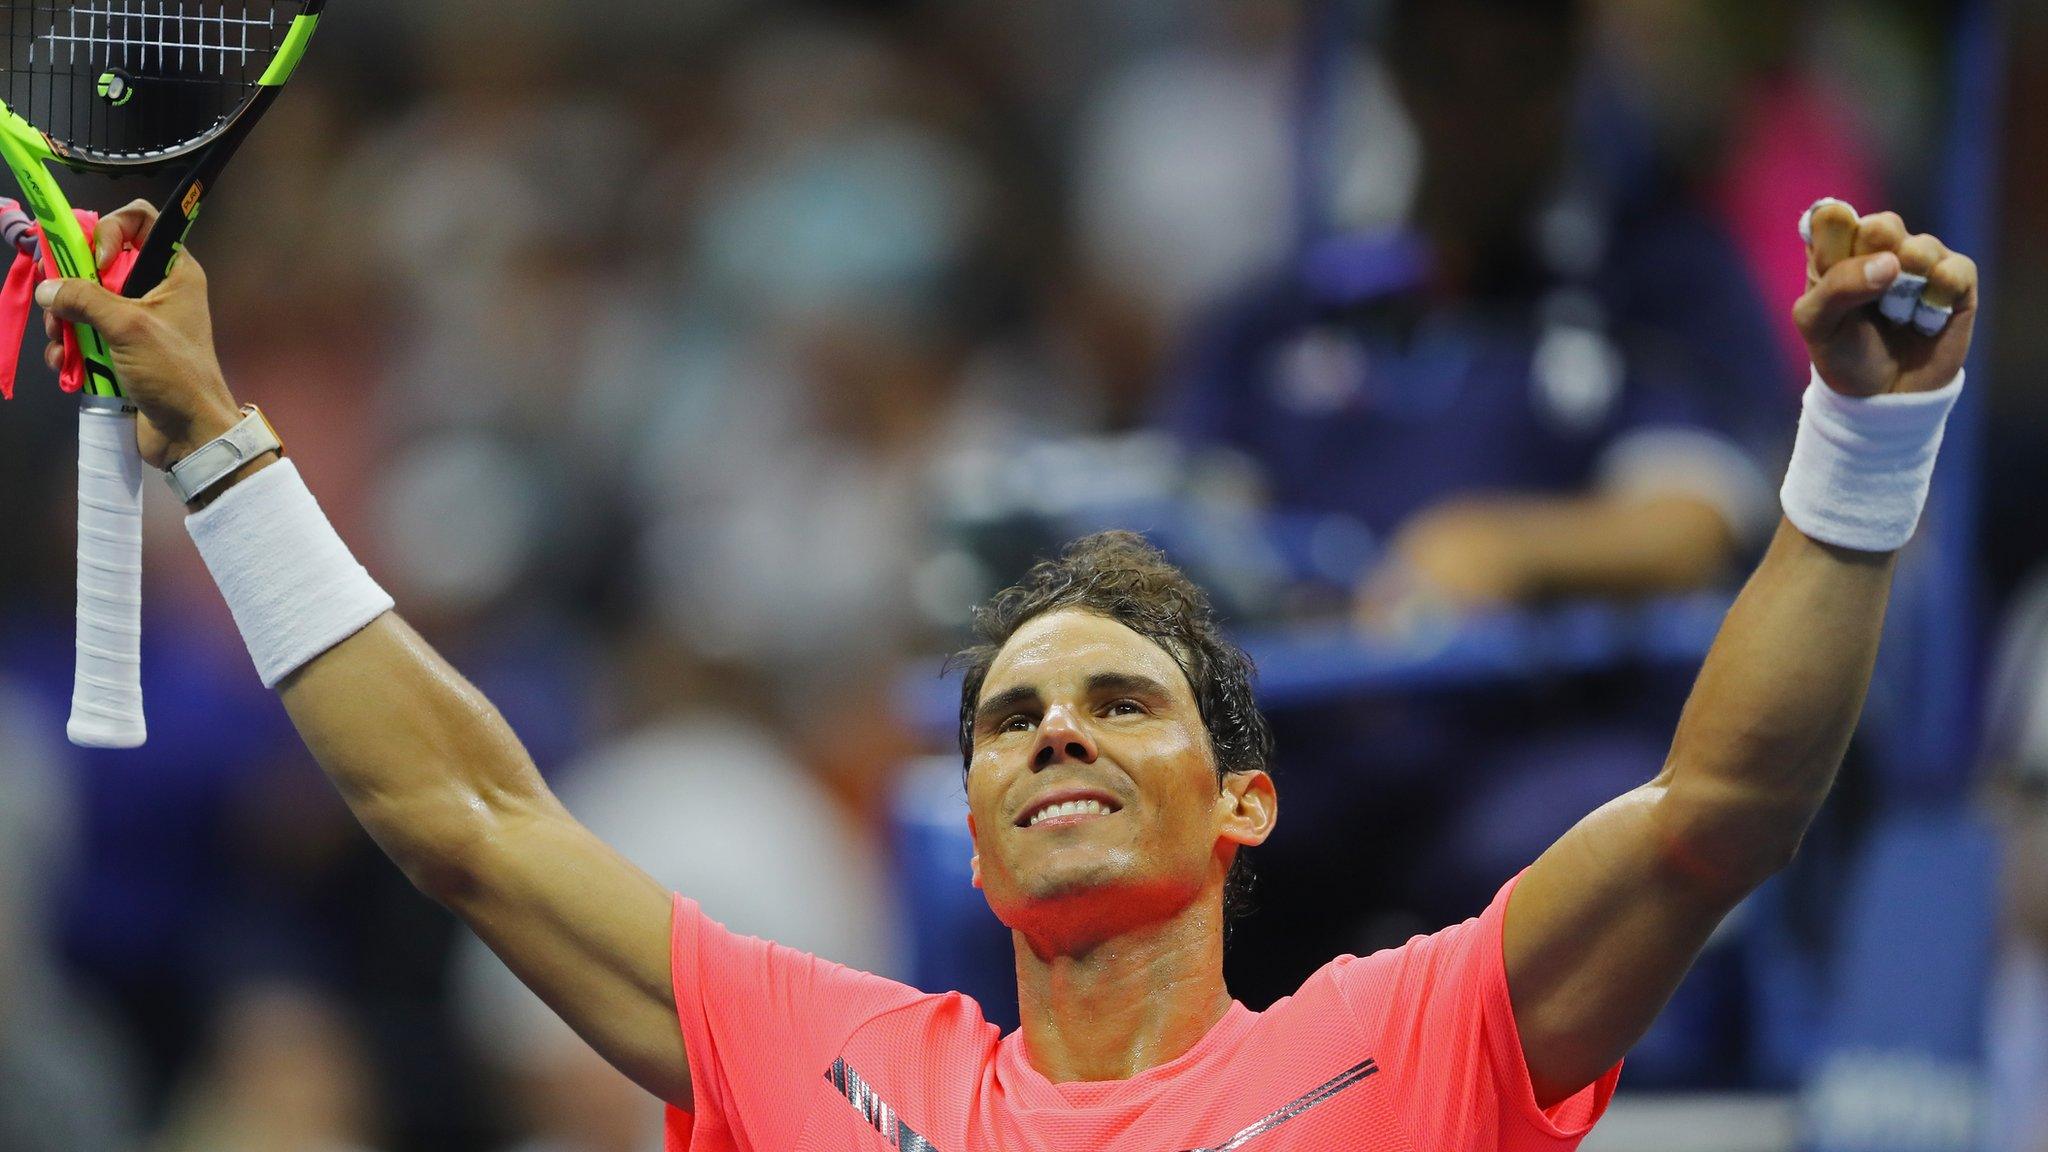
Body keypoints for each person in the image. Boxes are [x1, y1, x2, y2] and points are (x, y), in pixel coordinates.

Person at [33, 195, 1977, 1149]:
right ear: (963, 826)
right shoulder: (824, 1065)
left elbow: (1720, 810)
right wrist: (210, 426)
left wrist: (1860, 444)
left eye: (1121, 698)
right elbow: (463, 817)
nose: (1053, 723)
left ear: (1244, 803)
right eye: (1008, 717)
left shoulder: (1416, 1044)